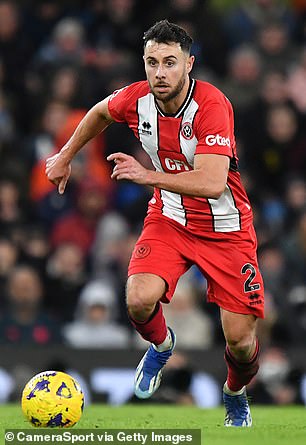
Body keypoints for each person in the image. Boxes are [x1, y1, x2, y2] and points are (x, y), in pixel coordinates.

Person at [45, 20, 264, 427]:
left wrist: (148, 176)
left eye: (170, 63)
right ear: (143, 65)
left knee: (241, 343)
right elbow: (98, 113)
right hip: (170, 218)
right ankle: (162, 346)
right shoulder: (136, 98)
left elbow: (213, 183)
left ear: (189, 65)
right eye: (152, 63)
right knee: (137, 298)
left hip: (226, 231)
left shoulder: (212, 106)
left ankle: (234, 392)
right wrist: (65, 156)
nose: (160, 72)